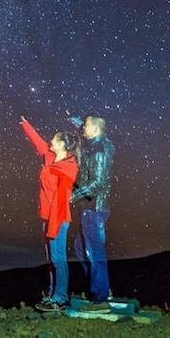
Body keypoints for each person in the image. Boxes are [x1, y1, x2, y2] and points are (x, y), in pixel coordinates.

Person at [19, 116, 80, 312]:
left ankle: (60, 298)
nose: (50, 141)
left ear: (62, 144)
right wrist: (26, 125)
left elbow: (61, 201)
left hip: (58, 219)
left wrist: (53, 227)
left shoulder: (69, 168)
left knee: (59, 258)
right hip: (47, 217)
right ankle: (53, 293)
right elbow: (39, 144)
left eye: (54, 139)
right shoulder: (50, 157)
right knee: (51, 259)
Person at [69, 114, 115, 313]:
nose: (83, 128)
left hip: (94, 209)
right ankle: (98, 288)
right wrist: (77, 121)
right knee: (81, 248)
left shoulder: (99, 150)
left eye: (87, 126)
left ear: (95, 129)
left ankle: (100, 299)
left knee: (94, 252)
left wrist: (71, 197)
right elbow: (90, 128)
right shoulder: (100, 141)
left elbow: (97, 183)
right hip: (89, 208)